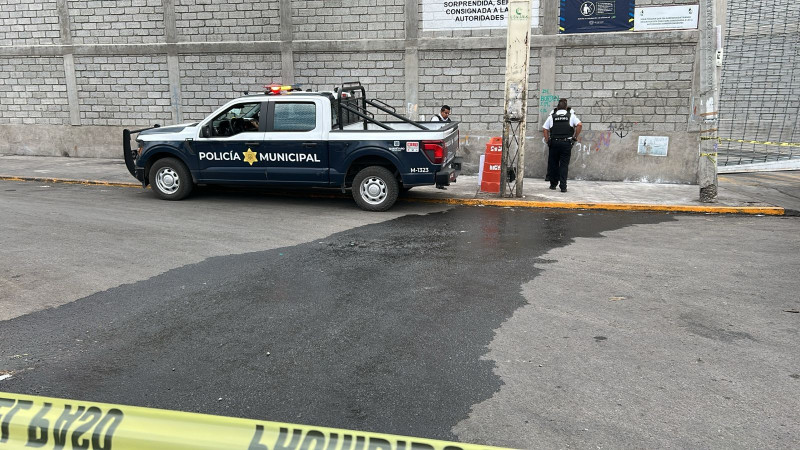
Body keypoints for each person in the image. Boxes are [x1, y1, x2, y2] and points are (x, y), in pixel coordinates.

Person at [542, 98, 582, 192]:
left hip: (554, 143)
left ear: (557, 107)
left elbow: (545, 129)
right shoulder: (571, 116)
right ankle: (563, 187)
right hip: (566, 143)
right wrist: (575, 137)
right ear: (566, 107)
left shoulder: (552, 116)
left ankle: (553, 185)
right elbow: (579, 125)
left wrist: (548, 140)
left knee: (553, 164)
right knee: (564, 165)